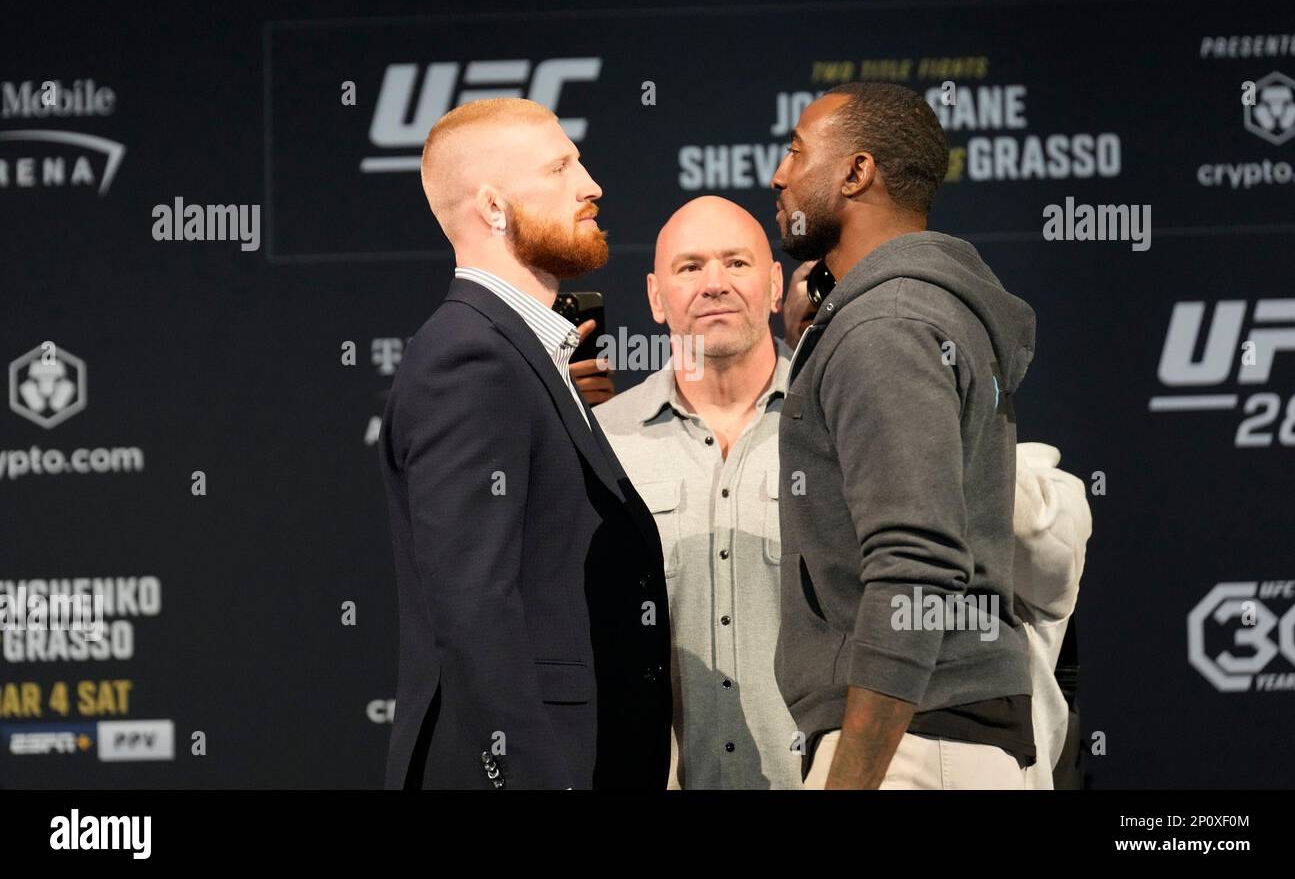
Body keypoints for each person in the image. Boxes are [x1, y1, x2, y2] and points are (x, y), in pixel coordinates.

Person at [378, 97, 671, 790]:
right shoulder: (470, 360)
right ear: (495, 207)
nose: (592, 183)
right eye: (562, 166)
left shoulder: (522, 358)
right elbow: (472, 602)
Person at [770, 81, 1038, 789]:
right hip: (928, 733)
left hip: (913, 742)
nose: (778, 174)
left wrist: (852, 779)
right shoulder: (899, 316)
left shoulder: (886, 327)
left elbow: (914, 566)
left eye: (796, 152)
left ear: (857, 173)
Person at [595, 196, 803, 789]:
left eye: (736, 264)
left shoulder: (835, 424)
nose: (714, 284)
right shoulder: (606, 443)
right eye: (690, 268)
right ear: (657, 297)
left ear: (772, 287)